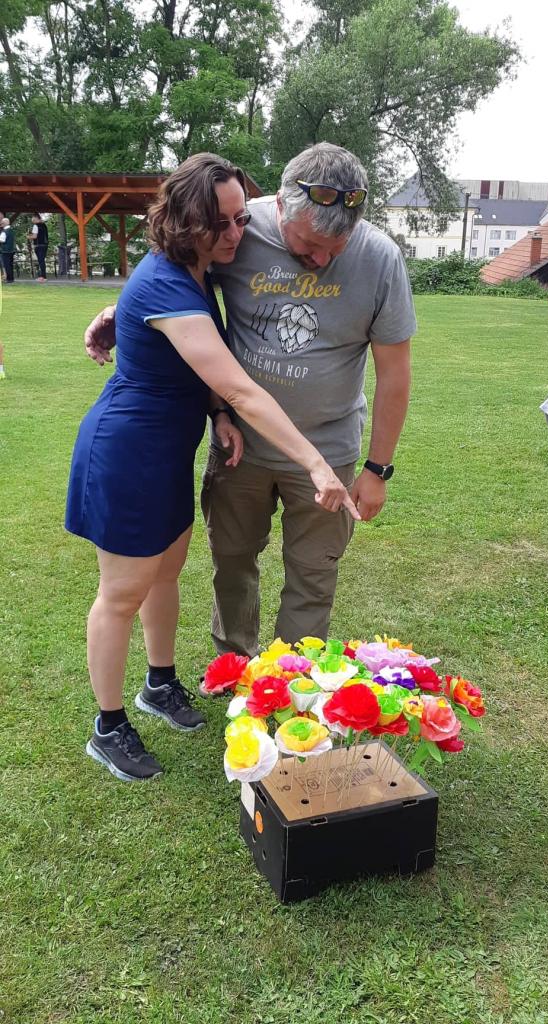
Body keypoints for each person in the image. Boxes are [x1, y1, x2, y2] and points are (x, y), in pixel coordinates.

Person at [66, 152, 359, 783]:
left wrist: (217, 415)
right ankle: (108, 726)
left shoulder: (199, 269)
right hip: (127, 453)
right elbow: (241, 385)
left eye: (239, 219)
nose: (236, 233)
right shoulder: (166, 281)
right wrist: (315, 462)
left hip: (169, 450)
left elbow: (200, 369)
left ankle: (159, 683)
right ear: (183, 222)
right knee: (122, 593)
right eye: (220, 223)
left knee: (167, 573)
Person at [84, 142, 416, 663]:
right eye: (309, 244)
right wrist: (122, 310)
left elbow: (395, 373)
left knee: (313, 573)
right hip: (241, 445)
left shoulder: (380, 259)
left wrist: (377, 468)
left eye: (337, 246)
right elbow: (171, 274)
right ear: (280, 207)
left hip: (329, 449)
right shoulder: (237, 228)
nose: (321, 260)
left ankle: (293, 680)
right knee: (233, 562)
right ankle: (235, 668)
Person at [28, 213, 48, 281]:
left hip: (38, 245)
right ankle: (42, 276)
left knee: (41, 261)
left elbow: (34, 236)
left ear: (36, 218)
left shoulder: (35, 226)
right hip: (45, 245)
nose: (32, 221)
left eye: (33, 220)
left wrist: (28, 236)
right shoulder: (44, 225)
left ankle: (43, 277)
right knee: (42, 261)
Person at [0, 218, 15, 283]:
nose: (1, 223)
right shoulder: (11, 230)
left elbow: (2, 240)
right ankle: (11, 278)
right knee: (10, 265)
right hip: (11, 250)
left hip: (5, 250)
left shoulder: (4, 231)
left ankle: (9, 279)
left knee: (7, 265)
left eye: (2, 222)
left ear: (5, 223)